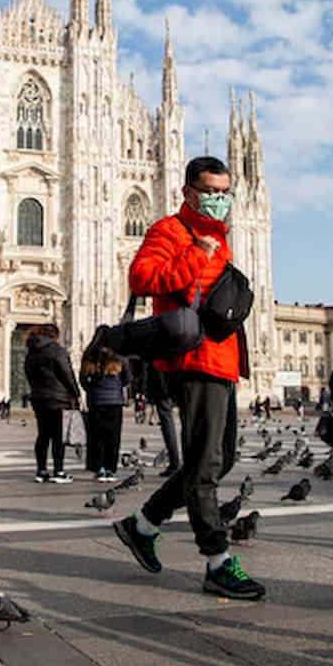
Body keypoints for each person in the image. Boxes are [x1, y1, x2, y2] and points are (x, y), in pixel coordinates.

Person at [112, 156, 266, 600]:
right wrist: (195, 255)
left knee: (223, 459)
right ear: (188, 193)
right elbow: (142, 277)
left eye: (225, 192)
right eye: (210, 192)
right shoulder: (171, 231)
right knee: (203, 467)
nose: (219, 200)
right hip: (192, 361)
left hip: (222, 362)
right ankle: (217, 561)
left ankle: (141, 525)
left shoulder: (220, 236)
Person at [23, 323, 81, 484]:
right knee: (58, 437)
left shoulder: (31, 352)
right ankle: (59, 471)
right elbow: (67, 374)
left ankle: (41, 471)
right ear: (54, 335)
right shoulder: (57, 351)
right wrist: (76, 393)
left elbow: (28, 374)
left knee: (43, 435)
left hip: (38, 398)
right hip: (58, 398)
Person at [81, 343, 131, 482]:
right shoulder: (120, 358)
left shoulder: (90, 358)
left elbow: (83, 380)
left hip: (96, 402)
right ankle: (110, 469)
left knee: (97, 436)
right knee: (113, 436)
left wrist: (93, 389)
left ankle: (99, 468)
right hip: (114, 402)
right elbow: (127, 379)